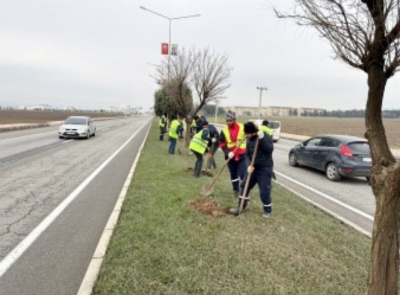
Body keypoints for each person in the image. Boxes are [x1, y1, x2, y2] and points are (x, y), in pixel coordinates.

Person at [229, 121, 274, 218]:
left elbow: (269, 150)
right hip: (253, 168)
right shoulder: (249, 140)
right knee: (244, 185)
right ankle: (241, 206)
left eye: (247, 134)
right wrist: (248, 165)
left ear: (253, 132)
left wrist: (262, 139)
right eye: (245, 134)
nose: (246, 136)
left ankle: (267, 210)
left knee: (264, 190)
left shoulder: (264, 136)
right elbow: (247, 155)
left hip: (264, 169)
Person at [219, 110, 247, 199]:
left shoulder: (243, 127)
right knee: (233, 174)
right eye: (227, 121)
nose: (228, 122)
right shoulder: (224, 130)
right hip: (230, 156)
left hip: (242, 155)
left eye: (230, 121)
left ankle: (244, 192)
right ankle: (236, 190)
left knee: (243, 174)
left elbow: (251, 133)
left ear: (234, 119)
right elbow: (222, 143)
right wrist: (227, 152)